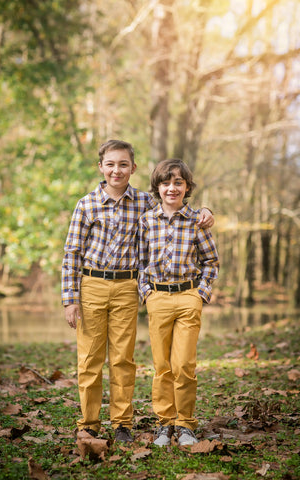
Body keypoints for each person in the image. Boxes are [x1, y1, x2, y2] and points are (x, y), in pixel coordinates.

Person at [61, 140, 214, 443]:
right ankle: (89, 423)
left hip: (128, 288)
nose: (116, 170)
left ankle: (122, 424)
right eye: (110, 164)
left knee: (123, 359)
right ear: (101, 167)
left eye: (123, 164)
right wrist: (70, 300)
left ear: (133, 168)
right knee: (89, 360)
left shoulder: (145, 202)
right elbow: (72, 254)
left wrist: (205, 211)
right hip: (91, 284)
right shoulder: (86, 204)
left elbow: (176, 207)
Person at [138, 158, 219, 447]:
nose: (172, 188)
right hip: (157, 297)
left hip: (188, 297)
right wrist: (146, 291)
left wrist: (202, 293)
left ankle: (185, 424)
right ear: (157, 187)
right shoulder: (146, 220)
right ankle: (165, 424)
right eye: (166, 182)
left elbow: (210, 261)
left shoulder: (197, 220)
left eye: (178, 183)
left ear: (187, 187)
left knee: (183, 364)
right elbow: (141, 261)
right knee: (162, 366)